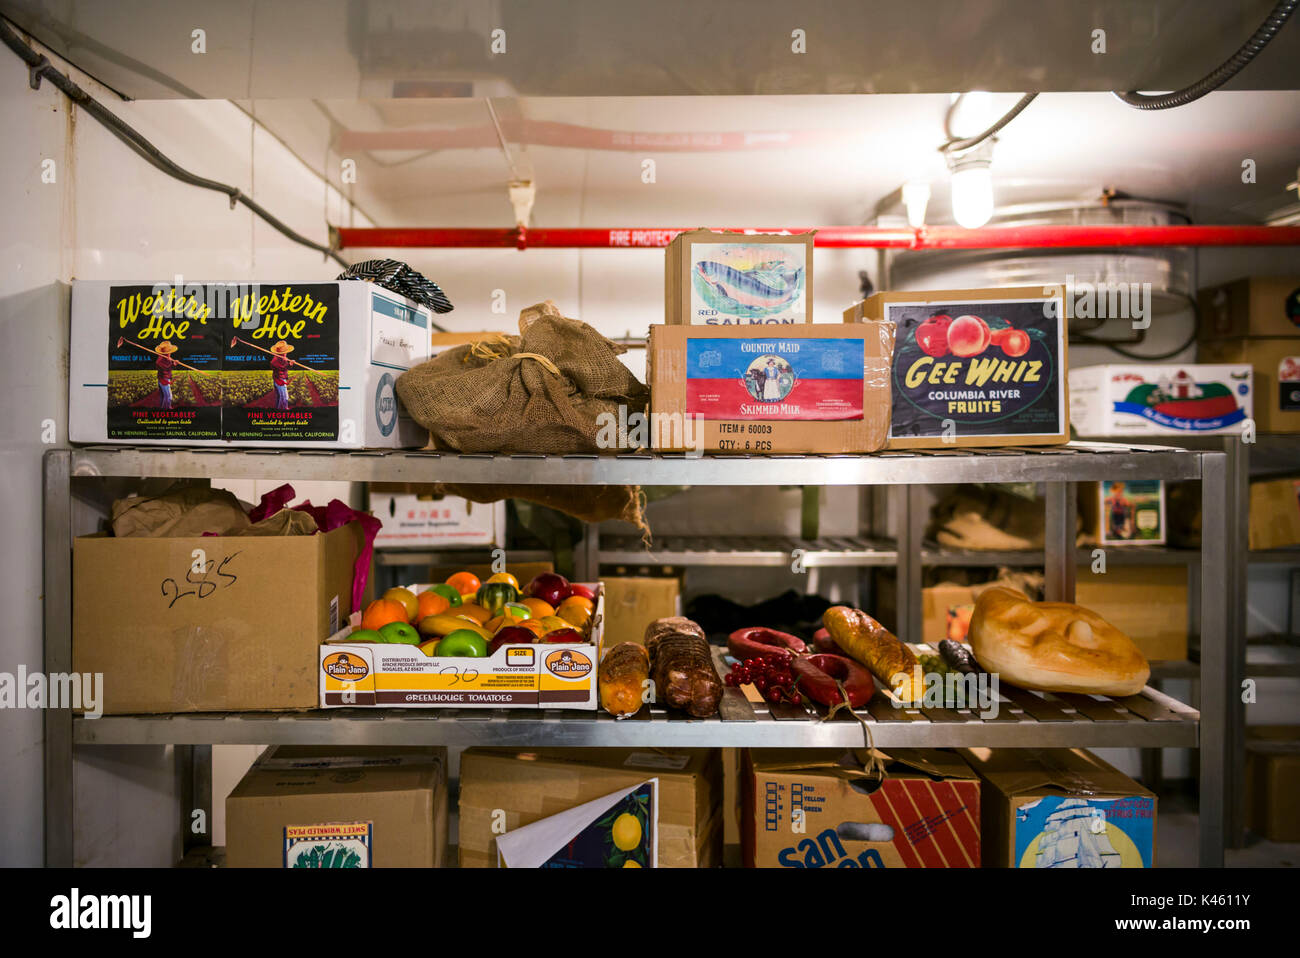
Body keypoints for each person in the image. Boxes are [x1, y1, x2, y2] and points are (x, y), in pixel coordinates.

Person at [269, 340, 294, 410]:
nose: (286, 354)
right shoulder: (274, 361)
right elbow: (282, 369)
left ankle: (278, 409)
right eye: (284, 352)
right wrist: (289, 364)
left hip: (278, 379)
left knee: (279, 397)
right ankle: (283, 409)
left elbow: (285, 367)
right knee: (284, 397)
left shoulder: (281, 358)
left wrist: (288, 363)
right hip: (279, 380)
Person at [154, 340, 178, 410]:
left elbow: (168, 364)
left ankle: (162, 408)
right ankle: (166, 409)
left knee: (162, 396)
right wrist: (173, 364)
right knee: (168, 396)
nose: (169, 353)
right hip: (163, 379)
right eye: (168, 352)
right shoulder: (160, 361)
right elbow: (166, 369)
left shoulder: (165, 357)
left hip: (162, 379)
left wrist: (172, 361)